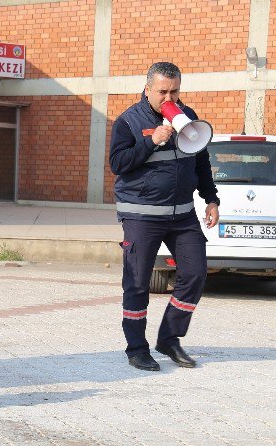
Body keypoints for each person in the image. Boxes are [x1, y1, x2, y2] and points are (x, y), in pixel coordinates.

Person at [109, 62, 220, 371]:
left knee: (196, 273)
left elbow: (201, 163)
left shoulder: (189, 118)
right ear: (147, 89)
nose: (169, 97)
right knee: (137, 282)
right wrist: (150, 140)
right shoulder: (128, 122)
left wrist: (211, 199)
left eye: (175, 91)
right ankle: (136, 348)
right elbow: (118, 163)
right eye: (162, 92)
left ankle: (169, 339)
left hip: (183, 215)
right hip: (141, 216)